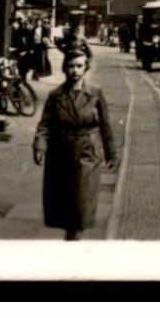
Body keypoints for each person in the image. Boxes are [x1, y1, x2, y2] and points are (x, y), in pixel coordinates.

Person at [32, 47, 117, 240]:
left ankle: (74, 237)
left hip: (87, 152)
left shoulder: (95, 93)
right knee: (63, 201)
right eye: (71, 66)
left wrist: (111, 153)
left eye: (79, 66)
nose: (75, 71)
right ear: (64, 68)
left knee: (81, 201)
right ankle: (71, 235)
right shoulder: (56, 95)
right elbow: (45, 124)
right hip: (60, 151)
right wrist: (40, 147)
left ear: (85, 68)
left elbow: (105, 125)